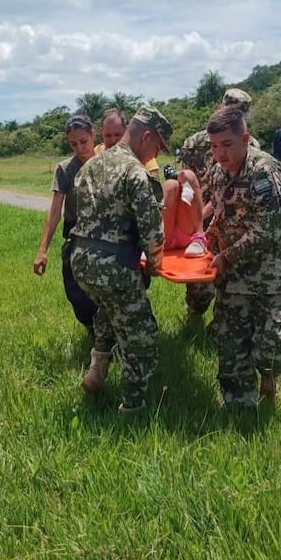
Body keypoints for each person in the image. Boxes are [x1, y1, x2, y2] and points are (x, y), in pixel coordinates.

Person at [69, 105, 172, 415]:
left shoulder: (91, 166)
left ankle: (97, 371)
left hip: (81, 262)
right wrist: (154, 265)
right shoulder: (135, 172)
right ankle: (133, 408)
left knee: (110, 310)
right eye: (157, 147)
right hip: (113, 267)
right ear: (147, 137)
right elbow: (152, 232)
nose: (155, 153)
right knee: (142, 336)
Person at [205, 106, 281, 406]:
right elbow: (220, 214)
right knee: (231, 347)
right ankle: (239, 407)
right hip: (232, 280)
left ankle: (269, 378)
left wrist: (227, 256)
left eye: (226, 144)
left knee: (273, 347)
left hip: (269, 276)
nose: (220, 153)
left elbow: (268, 228)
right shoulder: (218, 173)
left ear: (245, 139)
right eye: (214, 146)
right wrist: (205, 241)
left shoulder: (264, 170)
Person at [179, 88, 259, 321]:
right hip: (198, 217)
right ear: (219, 108)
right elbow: (183, 180)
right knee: (199, 280)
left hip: (232, 216)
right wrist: (190, 220)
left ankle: (228, 318)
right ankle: (194, 315)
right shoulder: (194, 143)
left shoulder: (251, 146)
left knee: (231, 272)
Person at [33, 114, 98, 333]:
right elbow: (55, 212)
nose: (80, 148)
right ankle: (92, 329)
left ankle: (109, 334)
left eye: (84, 141)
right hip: (76, 236)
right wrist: (42, 250)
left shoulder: (107, 164)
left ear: (93, 135)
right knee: (76, 293)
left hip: (106, 235)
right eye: (73, 144)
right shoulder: (65, 169)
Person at [95, 108, 161, 179]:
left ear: (126, 130)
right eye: (108, 135)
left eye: (117, 135)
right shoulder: (93, 154)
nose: (113, 140)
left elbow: (153, 179)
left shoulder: (142, 154)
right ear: (101, 132)